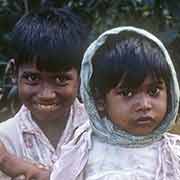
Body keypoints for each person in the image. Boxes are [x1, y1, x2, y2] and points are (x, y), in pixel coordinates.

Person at [51, 26, 180, 180]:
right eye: (127, 93)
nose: (145, 105)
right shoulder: (82, 153)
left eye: (153, 92)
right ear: (100, 101)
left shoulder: (173, 155)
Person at [0, 3, 90, 180]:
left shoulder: (101, 132)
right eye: (33, 78)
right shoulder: (5, 140)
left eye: (60, 79)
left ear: (81, 76)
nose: (46, 95)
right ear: (13, 73)